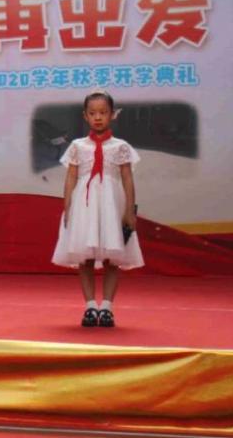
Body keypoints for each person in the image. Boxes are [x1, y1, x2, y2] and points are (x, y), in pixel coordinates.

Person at [52, 91, 142, 328]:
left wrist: (129, 210)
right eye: (93, 113)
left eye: (103, 112)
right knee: (85, 258)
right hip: (85, 205)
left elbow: (127, 179)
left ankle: (108, 307)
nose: (98, 117)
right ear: (85, 116)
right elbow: (71, 178)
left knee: (113, 257)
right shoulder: (77, 146)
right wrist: (67, 207)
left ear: (113, 115)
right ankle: (91, 306)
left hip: (112, 204)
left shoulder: (120, 147)